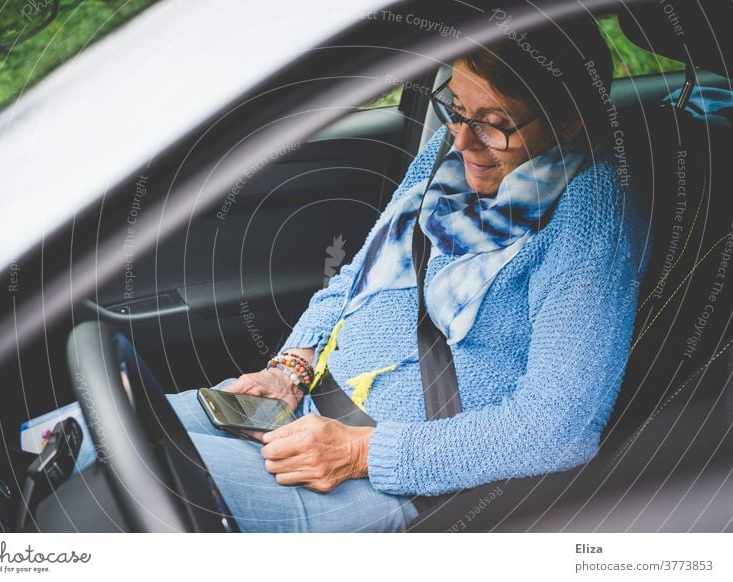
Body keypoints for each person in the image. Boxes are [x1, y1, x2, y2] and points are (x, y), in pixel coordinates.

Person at [166, 15, 651, 532]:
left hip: (384, 476)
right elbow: (359, 278)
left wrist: (360, 452)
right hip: (307, 411)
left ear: (568, 122)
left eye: (494, 122)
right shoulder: (444, 157)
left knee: (128, 476)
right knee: (95, 432)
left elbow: (557, 426)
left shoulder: (590, 217)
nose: (463, 140)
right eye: (457, 109)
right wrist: (290, 370)